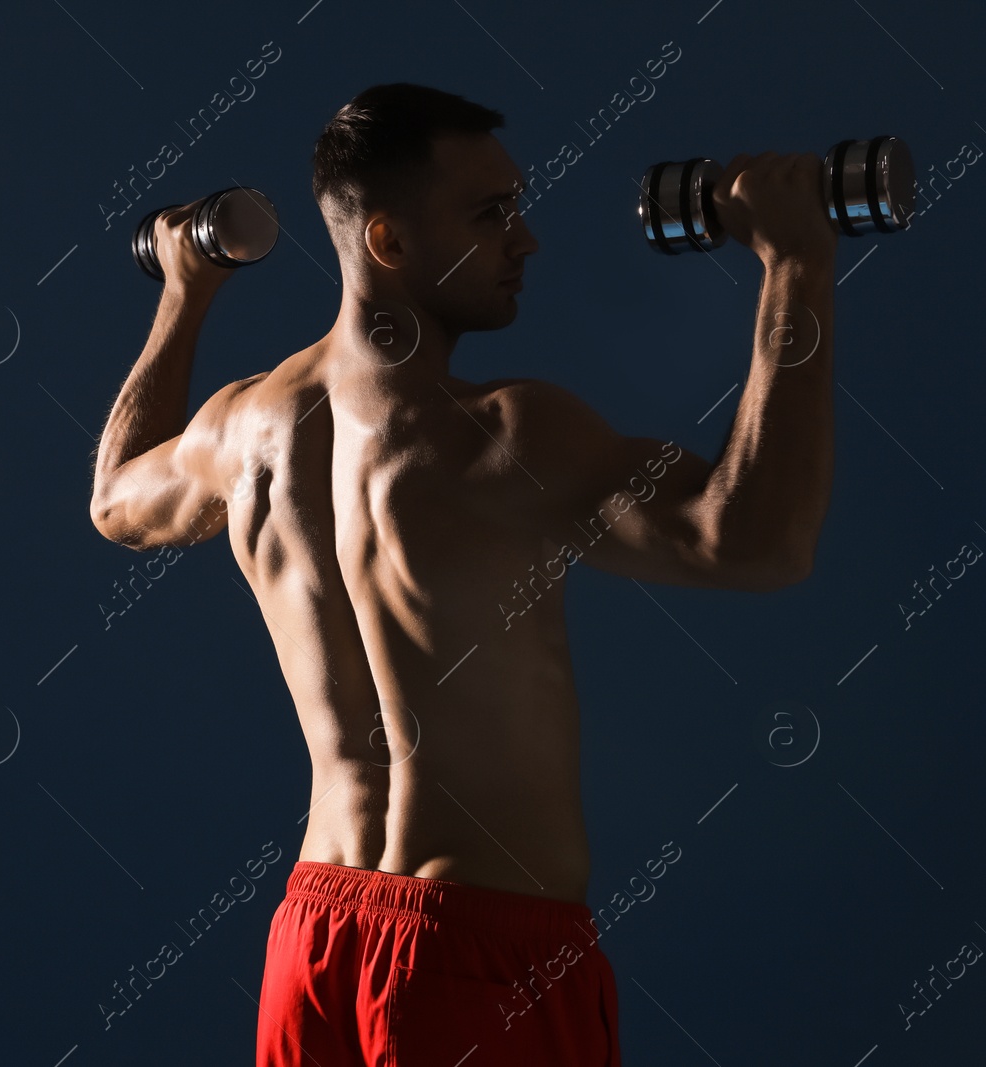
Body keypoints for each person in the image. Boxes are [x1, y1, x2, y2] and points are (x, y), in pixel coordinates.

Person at [88, 82, 836, 1066]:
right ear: (389, 242)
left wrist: (185, 295)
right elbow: (753, 541)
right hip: (474, 957)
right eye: (491, 215)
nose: (523, 241)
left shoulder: (242, 429)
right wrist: (795, 264)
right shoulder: (506, 433)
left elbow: (114, 501)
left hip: (313, 940)